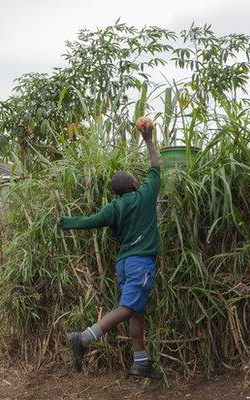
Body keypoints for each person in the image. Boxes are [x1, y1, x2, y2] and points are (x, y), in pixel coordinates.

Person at [58, 116, 162, 379]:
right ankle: (84, 338)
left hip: (124, 264)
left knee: (136, 313)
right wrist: (148, 139)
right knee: (128, 309)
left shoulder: (113, 208)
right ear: (133, 185)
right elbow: (156, 166)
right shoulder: (146, 194)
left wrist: (65, 222)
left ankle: (140, 362)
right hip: (141, 263)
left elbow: (89, 222)